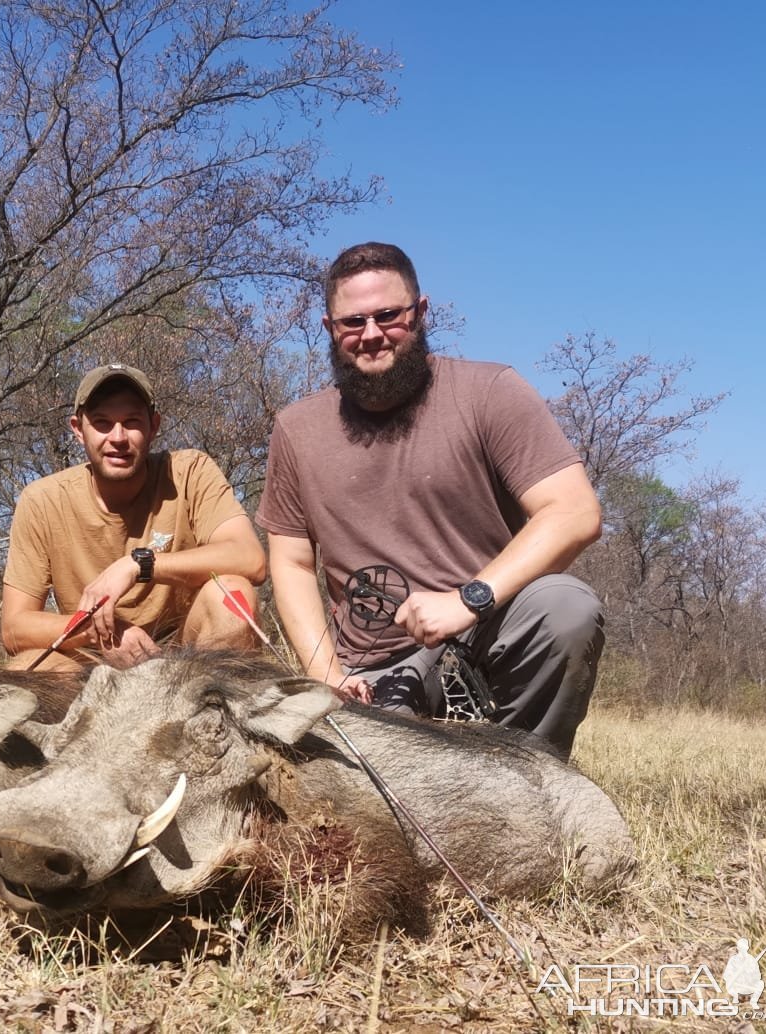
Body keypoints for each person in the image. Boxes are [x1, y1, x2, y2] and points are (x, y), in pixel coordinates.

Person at [256, 242, 604, 757]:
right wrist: (326, 677)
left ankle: (532, 774)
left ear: (420, 313)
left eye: (388, 315)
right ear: (330, 329)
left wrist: (469, 600)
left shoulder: (490, 391)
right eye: (353, 322)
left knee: (566, 608)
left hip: (486, 631)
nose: (371, 334)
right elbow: (290, 560)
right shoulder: (296, 427)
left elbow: (574, 511)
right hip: (373, 664)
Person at [2, 363, 266, 670]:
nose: (118, 437)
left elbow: (251, 559)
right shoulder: (41, 500)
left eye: (132, 422)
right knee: (26, 667)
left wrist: (138, 565)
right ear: (78, 429)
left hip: (186, 664)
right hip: (90, 669)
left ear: (153, 426)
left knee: (231, 596)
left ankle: (211, 711)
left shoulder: (191, 472)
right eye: (102, 423)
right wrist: (97, 630)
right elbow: (14, 628)